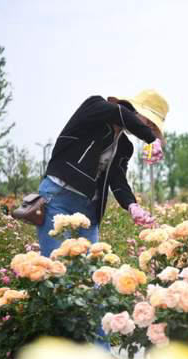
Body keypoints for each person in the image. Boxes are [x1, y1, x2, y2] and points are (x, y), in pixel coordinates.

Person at [36, 90, 169, 257]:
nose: (147, 128)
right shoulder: (96, 107)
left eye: (152, 127)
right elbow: (119, 113)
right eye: (148, 122)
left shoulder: (124, 146)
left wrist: (132, 206)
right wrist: (150, 138)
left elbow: (118, 180)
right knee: (54, 263)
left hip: (89, 207)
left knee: (93, 269)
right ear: (136, 110)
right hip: (58, 197)